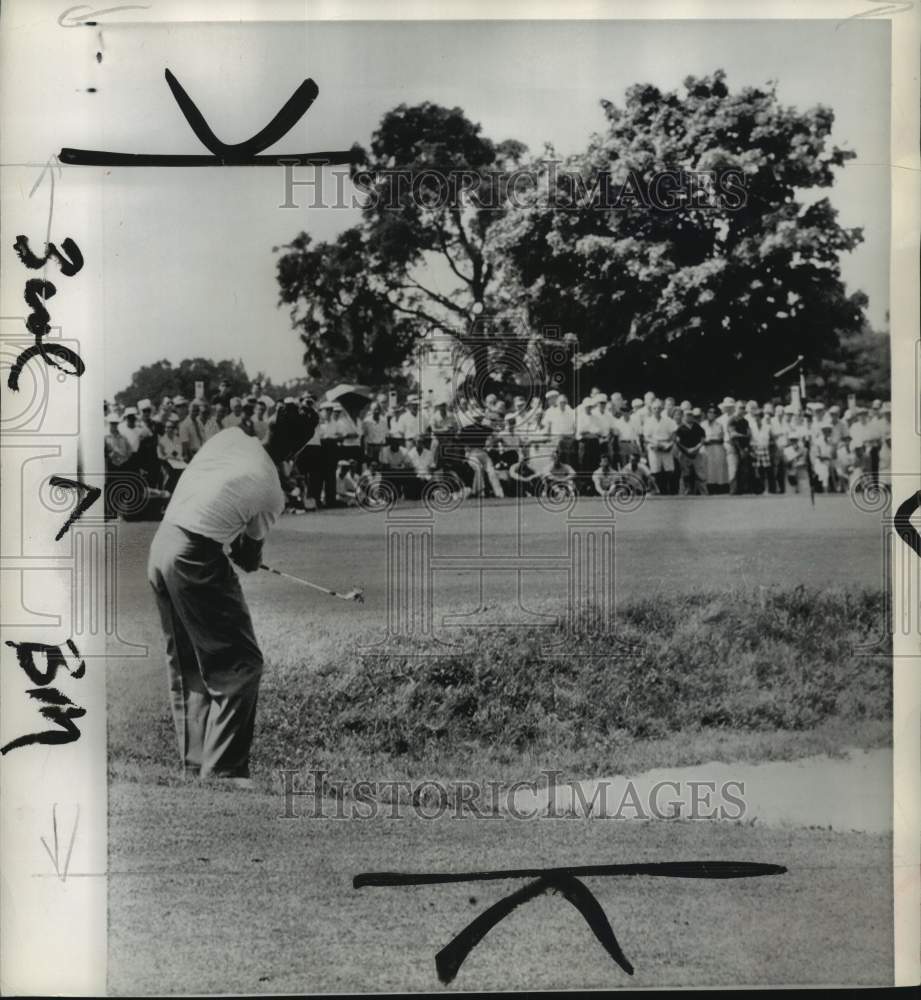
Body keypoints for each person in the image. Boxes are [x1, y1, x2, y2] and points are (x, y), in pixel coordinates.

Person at [147, 403, 318, 785]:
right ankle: (223, 772)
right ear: (297, 450)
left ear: (268, 421)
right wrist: (248, 556)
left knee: (189, 665)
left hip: (161, 545)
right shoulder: (271, 488)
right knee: (240, 665)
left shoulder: (229, 437)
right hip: (196, 558)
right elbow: (246, 555)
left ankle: (196, 768)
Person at [642, 399, 677, 495]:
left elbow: (674, 434)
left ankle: (669, 491)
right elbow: (646, 437)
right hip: (654, 446)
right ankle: (657, 491)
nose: (657, 410)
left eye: (658, 408)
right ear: (651, 410)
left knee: (669, 470)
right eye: (654, 408)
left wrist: (669, 444)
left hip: (666, 445)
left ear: (662, 409)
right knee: (655, 470)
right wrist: (656, 444)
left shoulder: (668, 421)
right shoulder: (648, 421)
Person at [675, 407, 708, 495]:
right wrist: (687, 450)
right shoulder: (680, 428)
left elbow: (703, 440)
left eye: (691, 415)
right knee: (685, 474)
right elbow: (678, 442)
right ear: (683, 416)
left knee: (700, 474)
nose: (689, 417)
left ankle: (704, 493)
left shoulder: (698, 427)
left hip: (697, 453)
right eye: (687, 415)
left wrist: (695, 449)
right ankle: (685, 493)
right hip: (684, 454)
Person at [701, 405, 728, 493]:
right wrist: (707, 440)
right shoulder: (703, 424)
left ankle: (719, 488)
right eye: (709, 412)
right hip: (706, 449)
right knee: (707, 469)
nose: (711, 414)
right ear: (707, 414)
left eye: (713, 413)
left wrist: (712, 440)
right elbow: (701, 438)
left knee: (718, 469)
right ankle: (709, 488)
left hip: (717, 449)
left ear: (716, 415)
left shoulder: (719, 425)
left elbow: (721, 438)